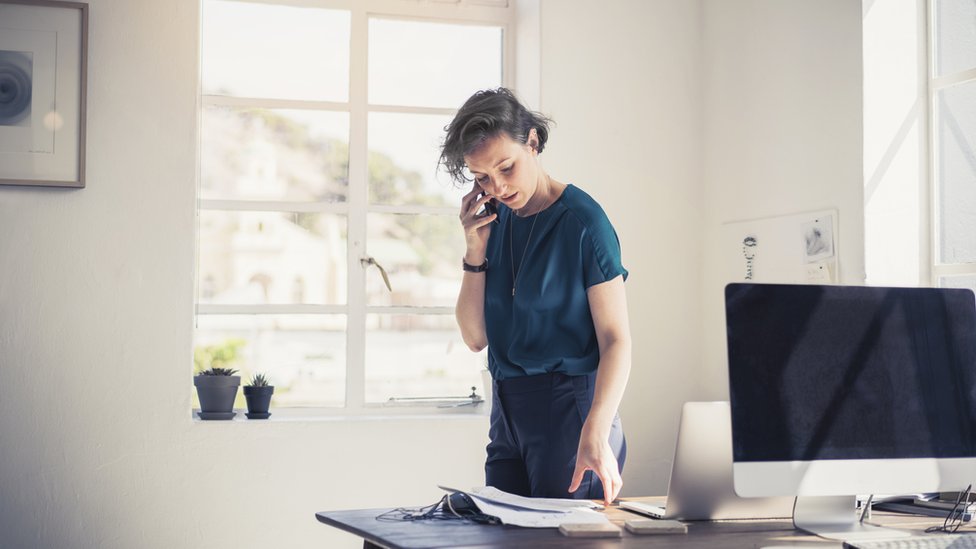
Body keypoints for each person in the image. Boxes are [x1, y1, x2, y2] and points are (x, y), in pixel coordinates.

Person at [439, 88, 631, 505]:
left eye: (506, 168)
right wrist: (474, 250)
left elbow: (617, 340)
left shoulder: (584, 224)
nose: (499, 186)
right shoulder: (493, 221)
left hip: (571, 410)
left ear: (533, 141)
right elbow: (475, 338)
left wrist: (595, 431)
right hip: (507, 411)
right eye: (482, 178)